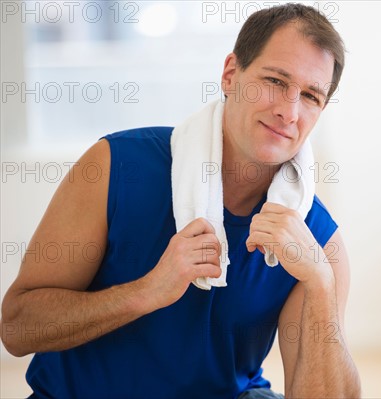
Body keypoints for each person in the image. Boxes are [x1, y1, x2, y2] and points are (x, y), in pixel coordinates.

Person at [0, 3, 360, 398]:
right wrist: (147, 292)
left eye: (310, 96)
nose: (289, 111)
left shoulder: (317, 241)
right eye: (275, 81)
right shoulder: (115, 167)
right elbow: (17, 329)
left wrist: (322, 283)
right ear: (230, 74)